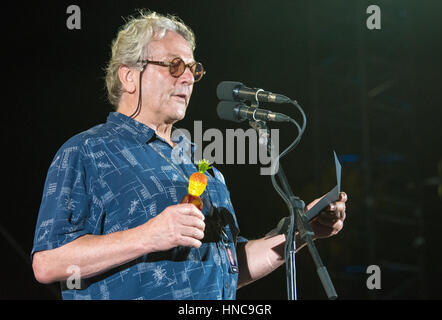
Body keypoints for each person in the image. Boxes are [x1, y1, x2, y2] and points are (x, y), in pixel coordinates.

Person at [31, 10, 347, 300]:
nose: (187, 78)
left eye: (193, 69)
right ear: (129, 76)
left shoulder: (201, 166)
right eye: (174, 66)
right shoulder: (88, 151)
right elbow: (47, 262)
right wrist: (150, 236)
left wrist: (303, 233)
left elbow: (230, 268)